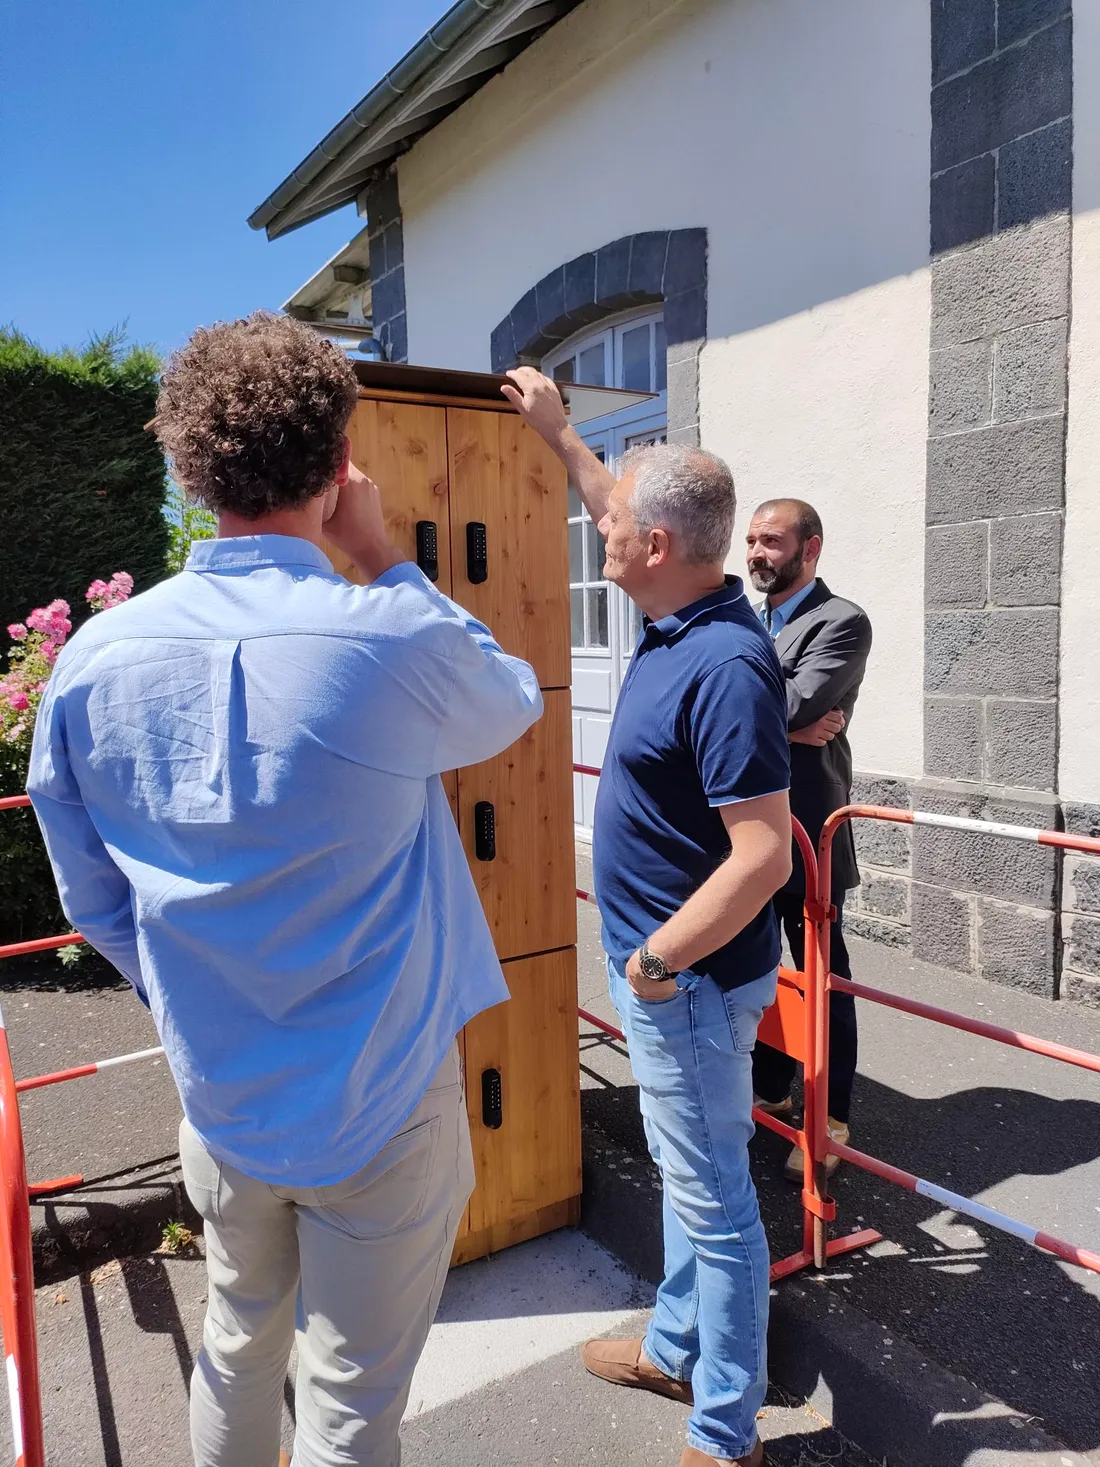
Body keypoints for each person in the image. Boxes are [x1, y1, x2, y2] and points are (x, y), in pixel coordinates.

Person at [28, 312, 543, 1467]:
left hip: (222, 1094)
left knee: (236, 1340)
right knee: (352, 1399)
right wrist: (387, 555)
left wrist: (190, 1010)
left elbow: (93, 903)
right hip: (384, 1093)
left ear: (184, 465)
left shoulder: (92, 663)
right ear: (338, 459)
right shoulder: (381, 638)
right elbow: (510, 699)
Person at [502, 369, 792, 1467]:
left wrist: (656, 964)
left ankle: (726, 1430)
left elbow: (762, 855)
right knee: (687, 1176)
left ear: (659, 544)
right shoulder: (676, 609)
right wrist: (561, 435)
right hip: (676, 978)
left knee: (715, 1201)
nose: (600, 533)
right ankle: (676, 1348)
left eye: (616, 524)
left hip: (690, 983)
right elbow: (609, 499)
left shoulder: (719, 663)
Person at [745, 498, 873, 1180]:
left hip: (807, 836)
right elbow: (718, 701)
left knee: (822, 975)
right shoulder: (747, 618)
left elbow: (798, 703)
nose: (756, 553)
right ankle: (771, 1089)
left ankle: (830, 1115)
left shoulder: (842, 621)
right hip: (746, 836)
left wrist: (783, 717)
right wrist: (785, 721)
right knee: (760, 971)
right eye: (752, 541)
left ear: (810, 548)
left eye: (771, 541)